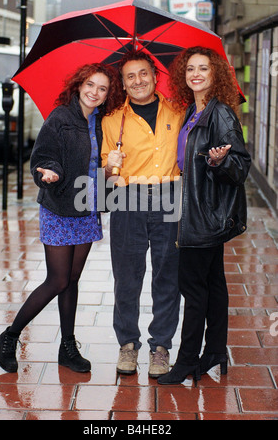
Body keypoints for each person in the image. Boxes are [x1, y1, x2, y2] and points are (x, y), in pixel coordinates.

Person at [0, 63, 124, 373]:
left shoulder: (99, 122)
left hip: (86, 206)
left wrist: (109, 169)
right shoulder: (61, 118)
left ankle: (67, 347)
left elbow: (94, 168)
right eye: (90, 85)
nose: (95, 92)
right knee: (58, 279)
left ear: (108, 94)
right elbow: (43, 156)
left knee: (72, 280)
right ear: (79, 85)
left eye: (102, 88)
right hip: (59, 206)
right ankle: (10, 336)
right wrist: (49, 172)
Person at [157, 46, 251, 385]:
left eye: (204, 69)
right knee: (213, 285)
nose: (196, 74)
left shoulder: (220, 114)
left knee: (192, 289)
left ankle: (186, 363)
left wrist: (217, 161)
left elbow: (240, 167)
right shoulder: (194, 111)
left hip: (203, 215)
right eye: (190, 69)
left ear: (215, 75)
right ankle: (214, 352)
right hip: (197, 209)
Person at [101, 51, 183, 378]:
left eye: (143, 74)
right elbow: (107, 173)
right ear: (122, 83)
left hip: (169, 197)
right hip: (127, 200)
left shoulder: (177, 111)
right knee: (127, 277)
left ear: (154, 76)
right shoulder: (111, 120)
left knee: (167, 277)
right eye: (130, 76)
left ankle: (161, 347)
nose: (138, 81)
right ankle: (127, 345)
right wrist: (110, 164)